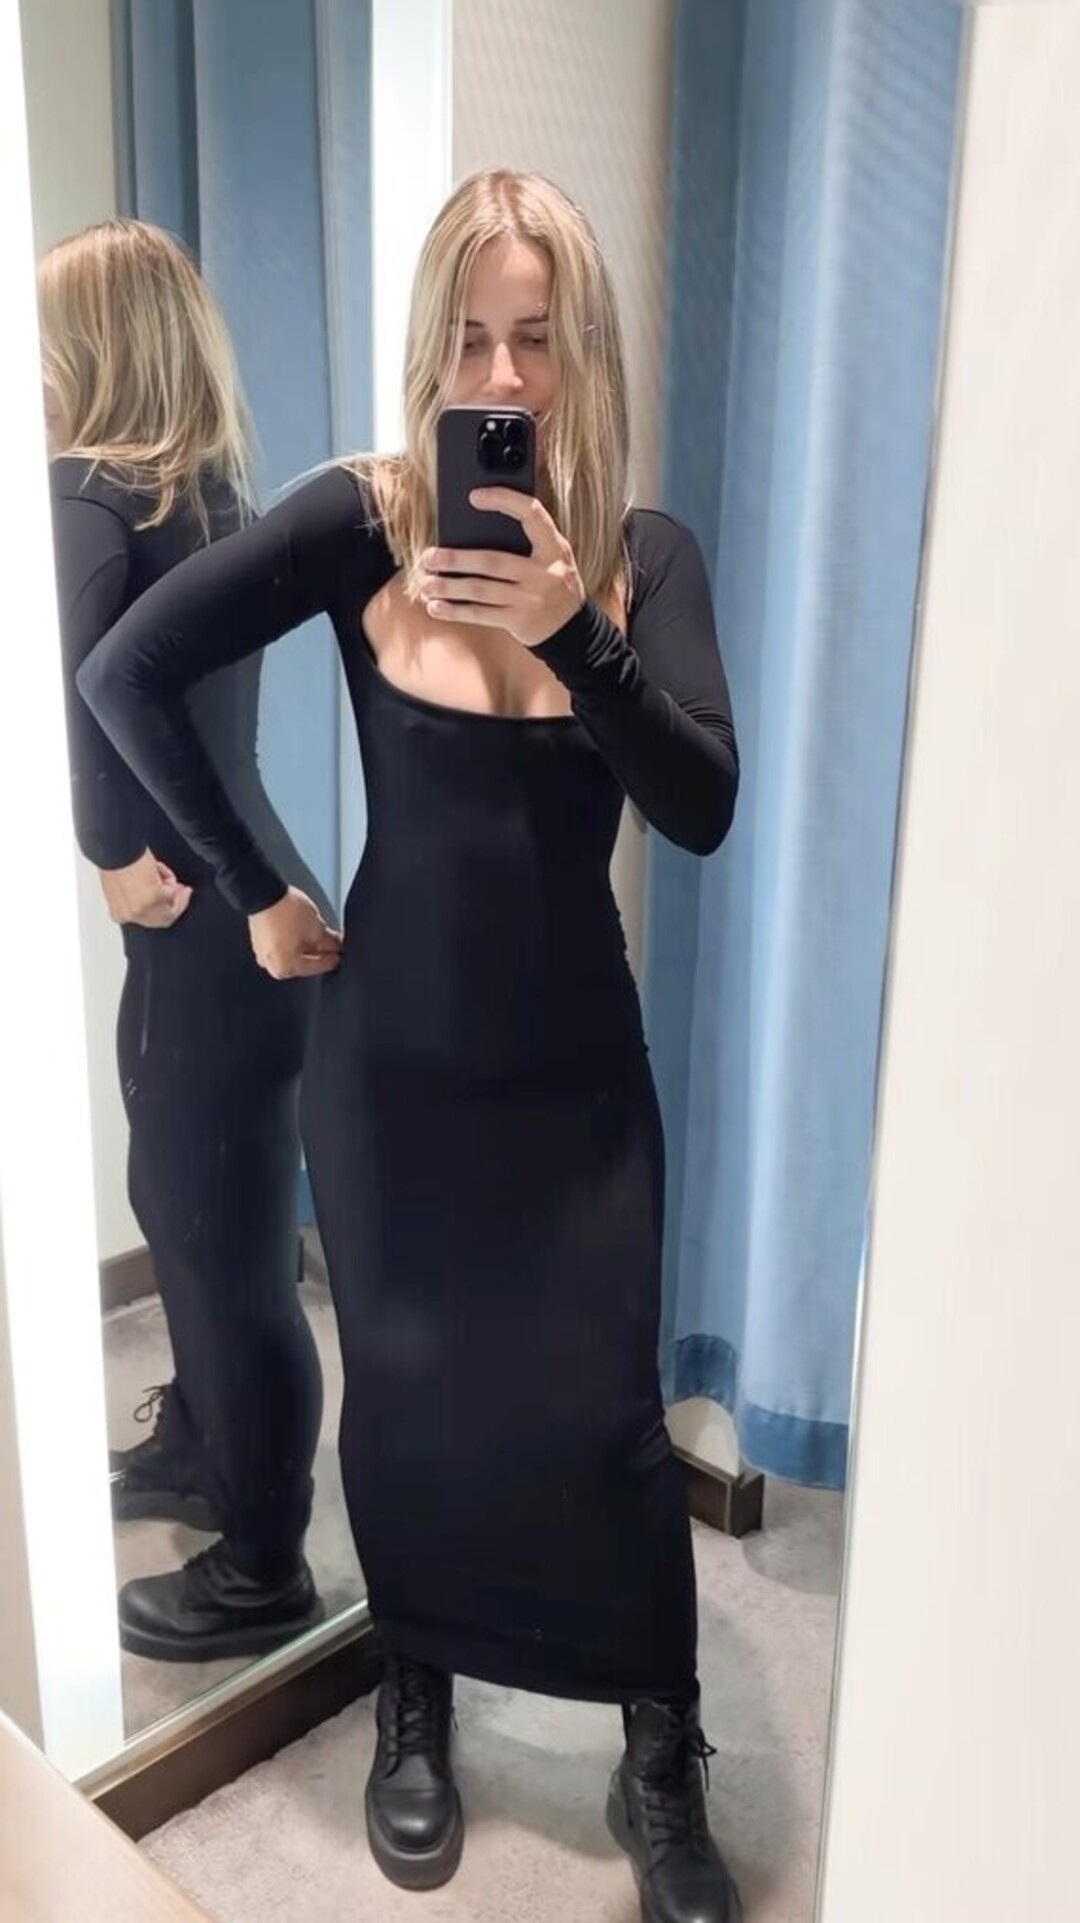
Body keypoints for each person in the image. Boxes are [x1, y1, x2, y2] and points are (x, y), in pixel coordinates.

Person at [78, 172, 743, 1920]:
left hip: (576, 1082)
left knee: (605, 1419)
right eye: (470, 339)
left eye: (536, 337)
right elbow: (125, 674)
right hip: (388, 1080)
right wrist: (251, 892)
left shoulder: (641, 556)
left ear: (585, 354)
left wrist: (570, 632)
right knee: (412, 1403)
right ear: (429, 355)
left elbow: (702, 805)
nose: (501, 377)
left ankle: (659, 1743)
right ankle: (418, 1696)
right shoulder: (364, 523)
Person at [41, 219, 335, 1661]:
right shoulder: (212, 492)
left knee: (219, 1247)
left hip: (202, 917)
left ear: (91, 350)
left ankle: (265, 1563)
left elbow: (90, 683)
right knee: (212, 1221)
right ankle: (205, 1449)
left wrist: (105, 850)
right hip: (251, 895)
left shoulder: (86, 494)